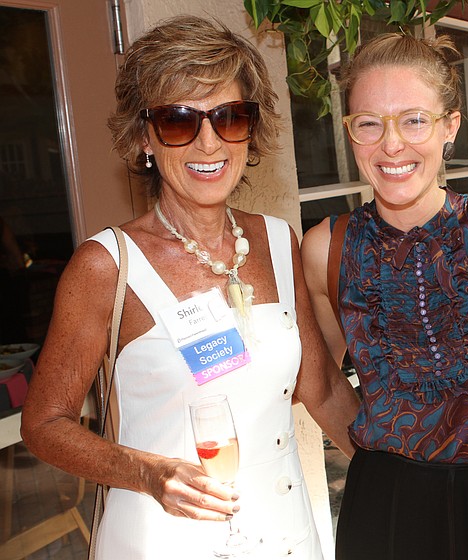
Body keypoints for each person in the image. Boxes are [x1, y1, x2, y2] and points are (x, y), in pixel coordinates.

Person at [21, 15, 359, 560]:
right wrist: (148, 472)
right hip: (165, 538)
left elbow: (320, 388)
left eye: (229, 116)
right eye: (180, 121)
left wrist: (402, 479)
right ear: (144, 137)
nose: (209, 141)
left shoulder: (277, 241)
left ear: (251, 132)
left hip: (284, 534)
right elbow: (43, 425)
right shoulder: (107, 267)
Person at [301, 33, 468, 560]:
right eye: (369, 123)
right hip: (387, 506)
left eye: (414, 120)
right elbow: (322, 381)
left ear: (450, 127)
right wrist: (380, 458)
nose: (392, 145)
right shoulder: (328, 246)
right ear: (350, 134)